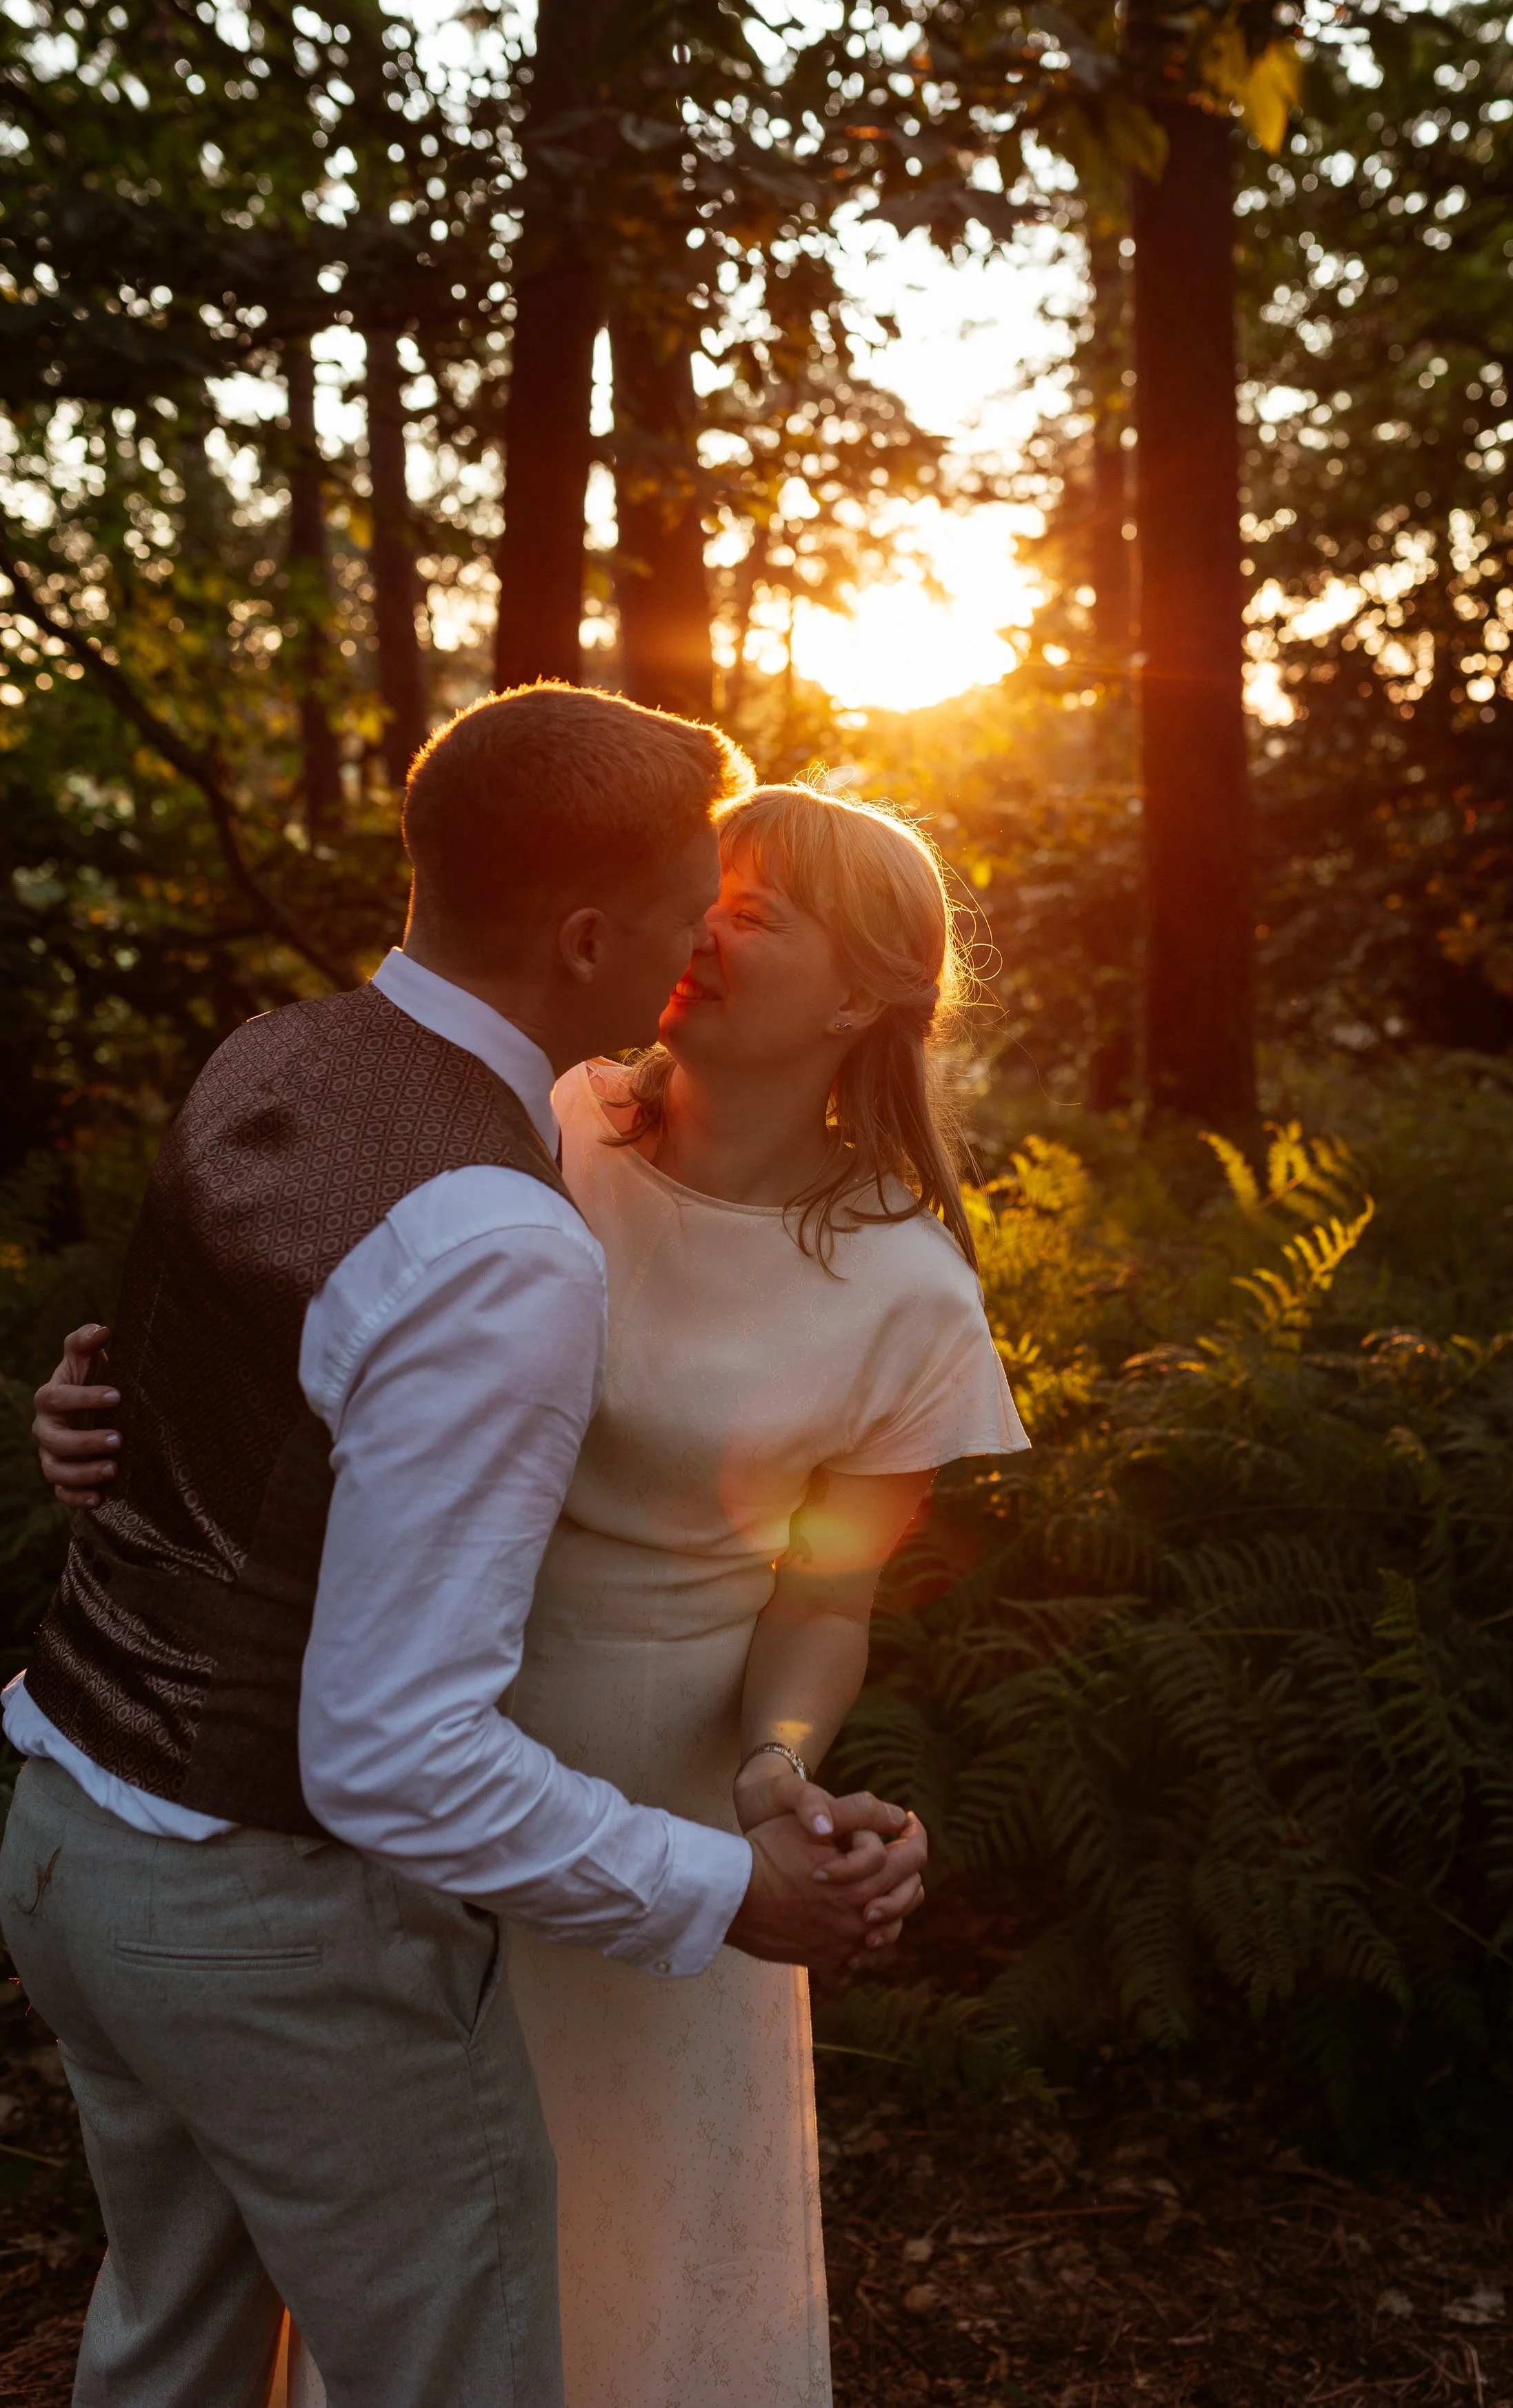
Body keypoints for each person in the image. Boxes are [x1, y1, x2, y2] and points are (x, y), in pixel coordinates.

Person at [32, 774, 1030, 2408]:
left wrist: (774, 1771)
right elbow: (290, 1351)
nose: (699, 925)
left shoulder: (909, 1287)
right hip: (407, 1741)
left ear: (866, 990)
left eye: (757, 911)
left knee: (616, 2240)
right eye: (700, 891)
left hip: (664, 1787)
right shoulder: (533, 1121)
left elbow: (826, 1597)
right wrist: (111, 1429)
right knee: (400, 2256)